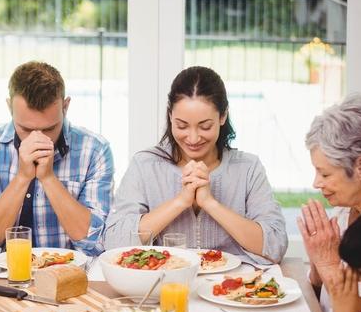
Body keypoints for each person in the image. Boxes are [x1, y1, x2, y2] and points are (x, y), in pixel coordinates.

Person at [104, 66, 287, 264]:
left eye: (205, 126)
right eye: (182, 126)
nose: (193, 138)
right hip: (165, 287)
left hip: (229, 290)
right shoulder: (145, 165)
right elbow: (114, 242)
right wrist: (180, 201)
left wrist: (210, 203)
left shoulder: (248, 167)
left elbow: (275, 245)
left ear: (223, 116)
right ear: (170, 116)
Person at [0, 61, 114, 256]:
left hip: (69, 277)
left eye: (49, 128)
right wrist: (22, 177)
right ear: (10, 106)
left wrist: (48, 178)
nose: (38, 139)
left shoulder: (95, 150)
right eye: (25, 129)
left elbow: (98, 241)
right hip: (3, 278)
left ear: (65, 106)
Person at [297, 94, 361, 312]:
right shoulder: (342, 214)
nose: (316, 183)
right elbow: (325, 310)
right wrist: (317, 270)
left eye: (325, 173)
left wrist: (329, 267)